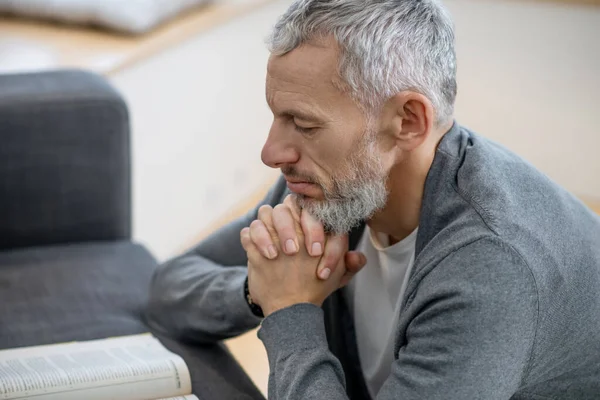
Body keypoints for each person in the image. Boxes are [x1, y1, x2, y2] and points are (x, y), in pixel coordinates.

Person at [147, 0, 600, 399]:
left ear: (407, 121)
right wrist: (259, 291)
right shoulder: (338, 190)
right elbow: (168, 290)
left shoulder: (491, 267)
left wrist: (290, 312)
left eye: (303, 125)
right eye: (276, 116)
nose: (271, 153)